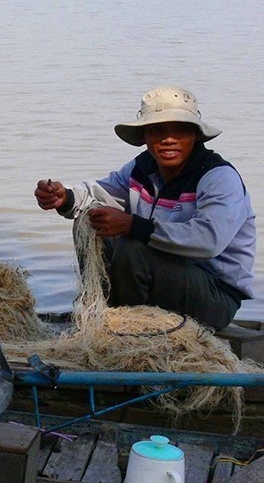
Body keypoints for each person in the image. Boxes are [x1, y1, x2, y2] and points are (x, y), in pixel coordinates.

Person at [35, 86, 255, 331]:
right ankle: (104, 317)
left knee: (133, 248)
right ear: (144, 137)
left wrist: (133, 225)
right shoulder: (142, 167)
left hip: (214, 295)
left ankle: (127, 328)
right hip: (161, 280)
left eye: (180, 130)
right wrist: (63, 197)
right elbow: (99, 193)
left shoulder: (218, 177)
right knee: (90, 221)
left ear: (195, 135)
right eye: (157, 130)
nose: (168, 139)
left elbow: (208, 240)